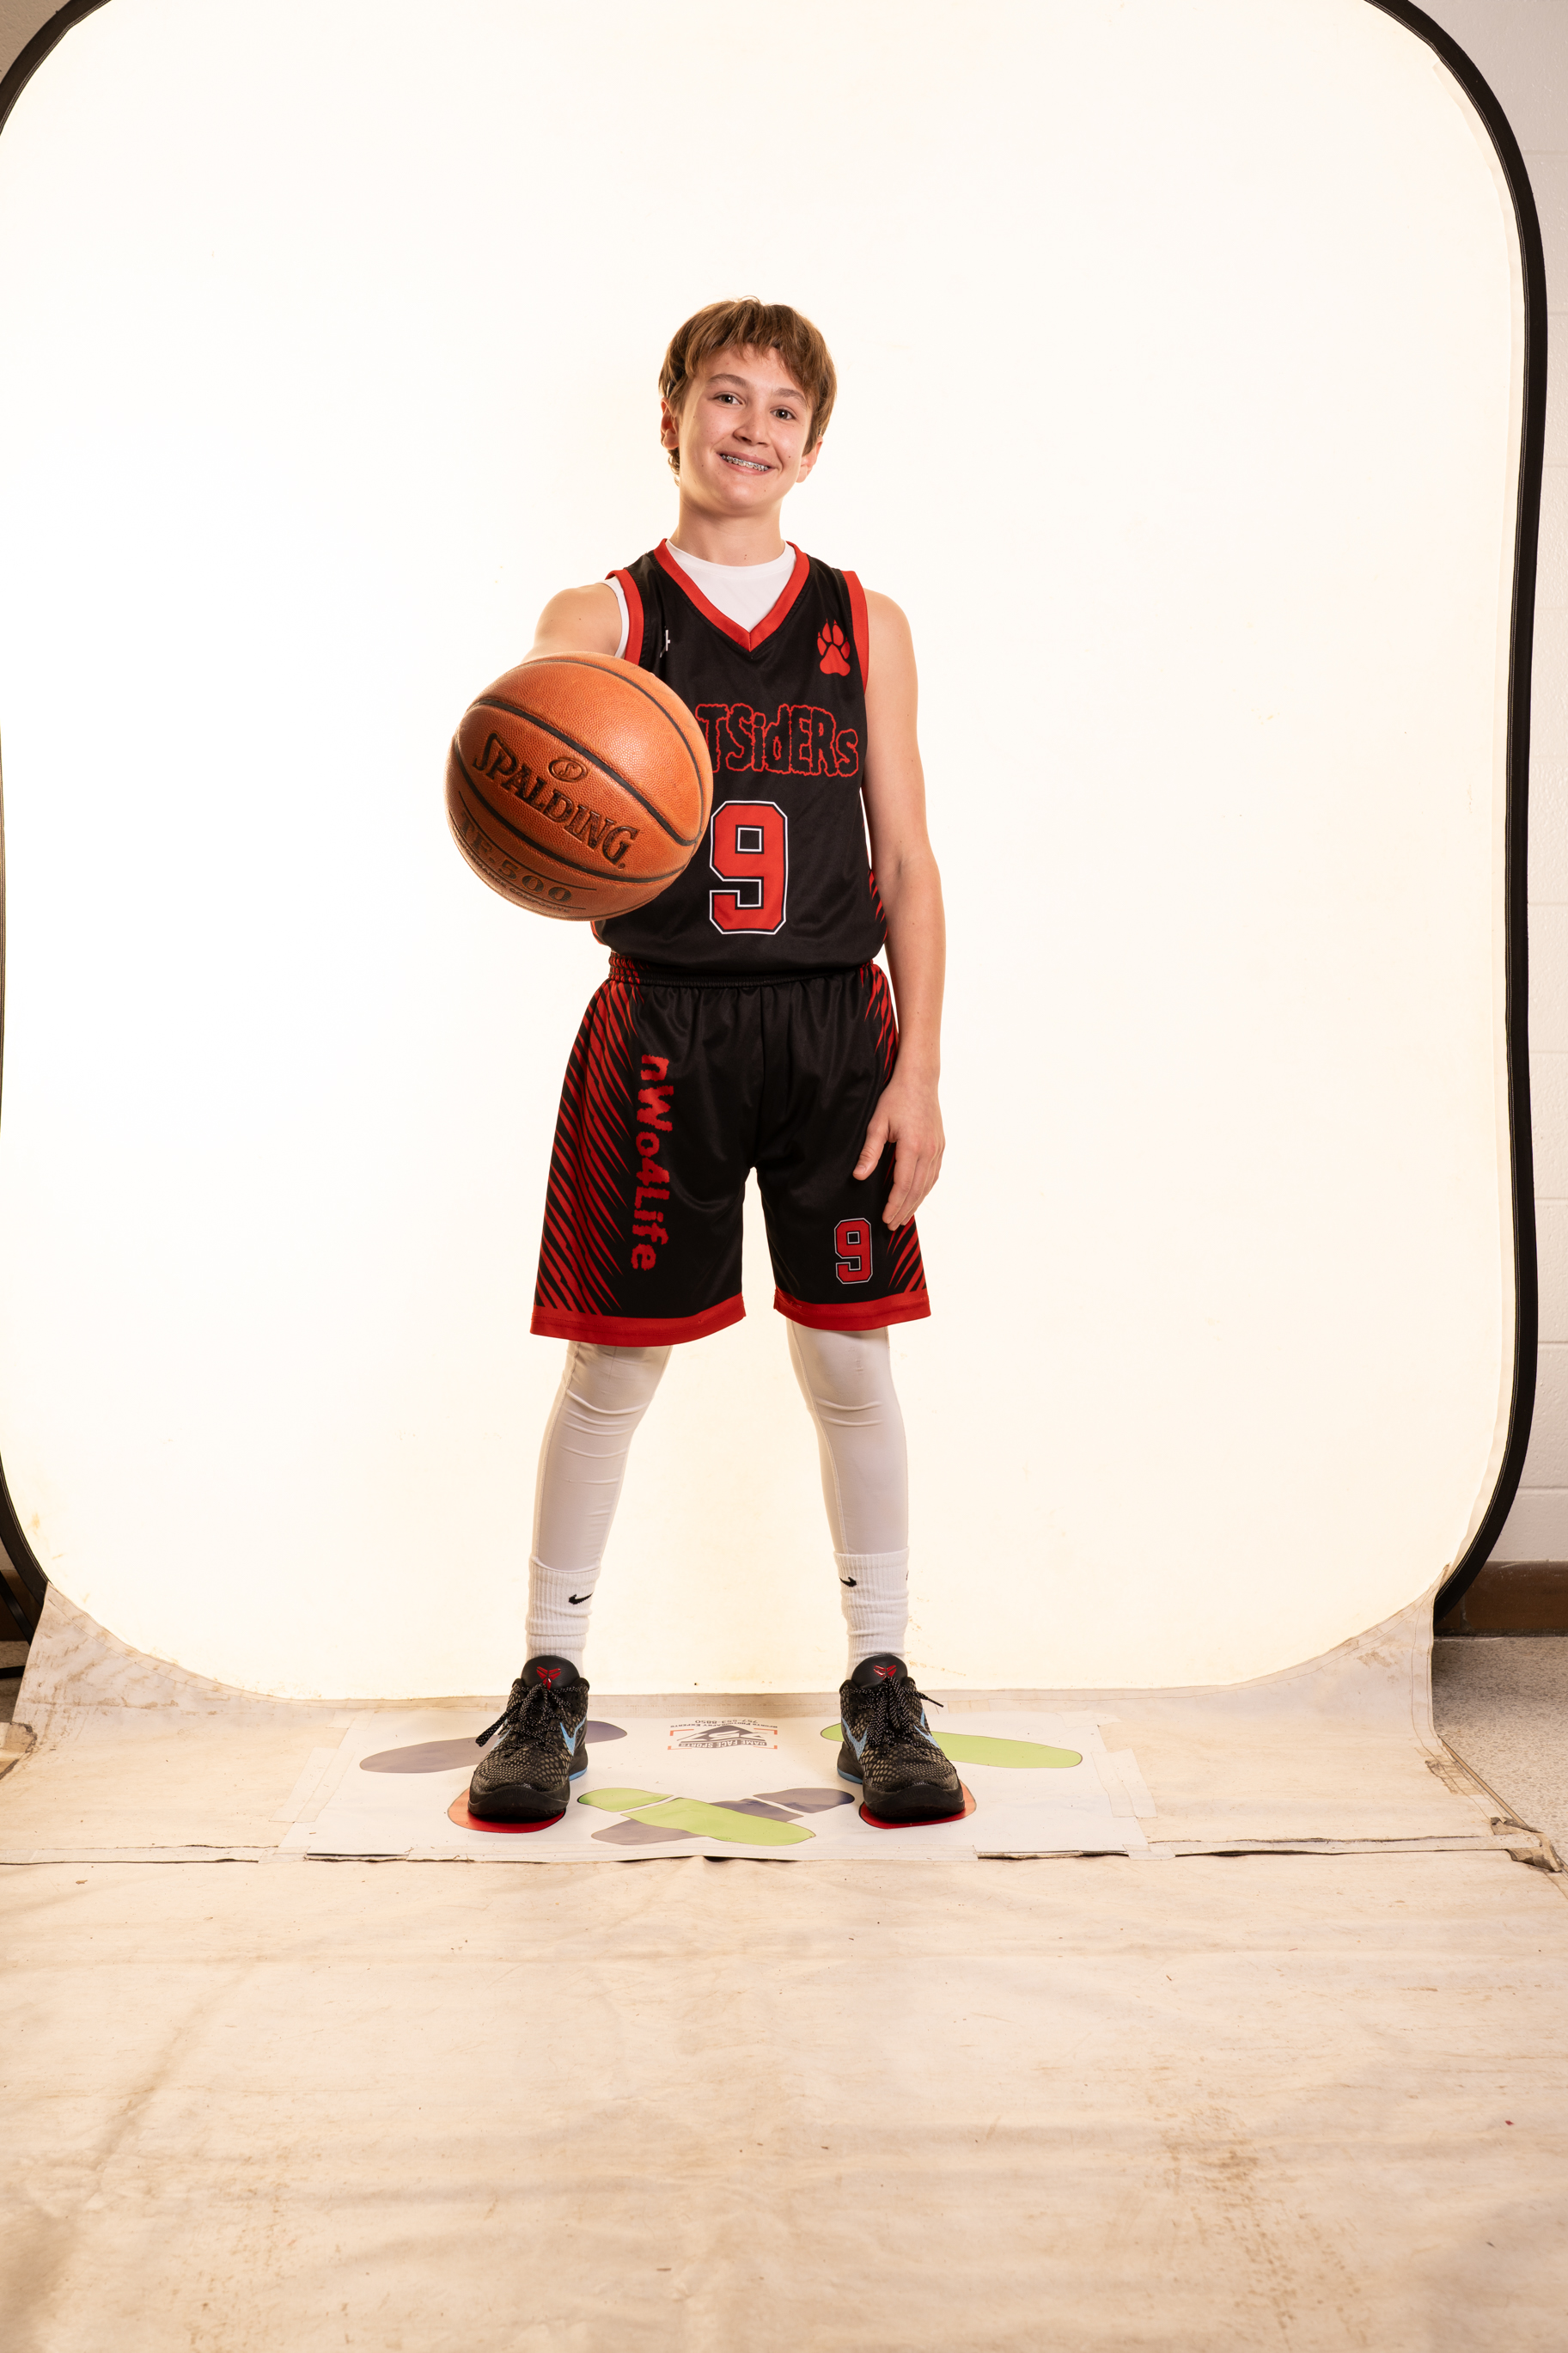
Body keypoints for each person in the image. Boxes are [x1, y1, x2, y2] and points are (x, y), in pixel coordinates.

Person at [468, 299, 961, 1829]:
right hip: (664, 1022)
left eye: (782, 409)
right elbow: (531, 739)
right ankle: (549, 1680)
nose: (751, 427)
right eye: (724, 396)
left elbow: (906, 860)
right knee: (612, 1367)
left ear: (813, 447)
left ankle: (881, 1679)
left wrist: (919, 1071)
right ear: (671, 415)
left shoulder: (862, 619)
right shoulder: (606, 615)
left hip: (833, 1028)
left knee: (850, 1361)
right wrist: (558, 765)